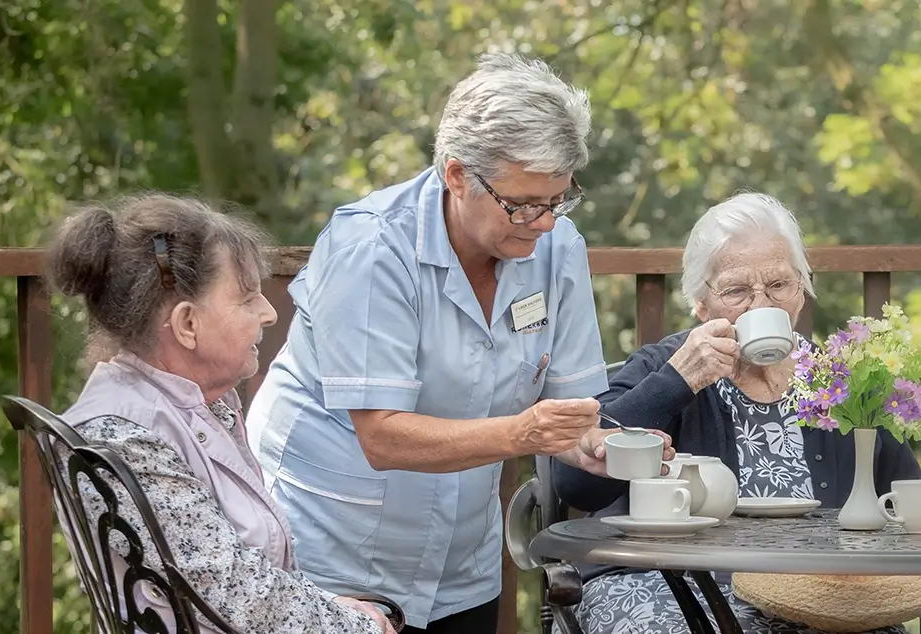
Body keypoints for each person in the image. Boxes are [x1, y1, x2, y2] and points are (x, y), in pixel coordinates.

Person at [246, 53, 663, 633]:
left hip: (463, 559)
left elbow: (569, 412)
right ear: (458, 174)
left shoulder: (557, 245)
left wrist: (597, 444)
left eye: (557, 200)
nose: (543, 222)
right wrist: (524, 434)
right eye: (522, 203)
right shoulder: (371, 249)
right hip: (332, 557)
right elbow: (383, 435)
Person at [555, 193, 921, 634]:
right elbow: (576, 484)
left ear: (802, 291)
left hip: (818, 596)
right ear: (701, 304)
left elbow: (908, 501)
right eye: (735, 290)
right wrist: (679, 382)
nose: (761, 306)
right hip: (665, 584)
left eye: (778, 285)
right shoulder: (666, 366)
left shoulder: (840, 382)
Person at [47, 196, 393, 633]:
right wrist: (356, 626)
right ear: (187, 324)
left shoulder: (194, 402)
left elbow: (238, 579)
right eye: (247, 299)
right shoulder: (122, 438)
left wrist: (335, 609)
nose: (269, 313)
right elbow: (233, 594)